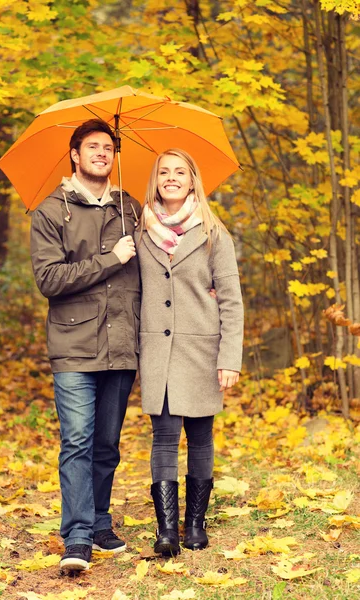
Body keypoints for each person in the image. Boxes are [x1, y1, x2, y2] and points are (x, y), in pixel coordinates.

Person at [30, 119, 141, 572]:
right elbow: (49, 279)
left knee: (107, 443)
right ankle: (76, 536)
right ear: (74, 154)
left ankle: (98, 522)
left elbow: (154, 270)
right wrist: (110, 260)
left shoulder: (130, 208)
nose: (102, 152)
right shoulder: (51, 211)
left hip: (122, 341)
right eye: (92, 146)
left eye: (108, 147)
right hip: (74, 343)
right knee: (77, 440)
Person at [137, 149, 244, 556]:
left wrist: (229, 357)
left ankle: (195, 524)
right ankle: (166, 531)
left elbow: (231, 299)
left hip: (201, 348)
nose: (171, 178)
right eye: (164, 172)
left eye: (180, 171)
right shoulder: (140, 231)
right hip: (158, 350)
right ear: (155, 180)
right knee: (163, 437)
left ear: (193, 180)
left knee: (200, 437)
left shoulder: (215, 233)